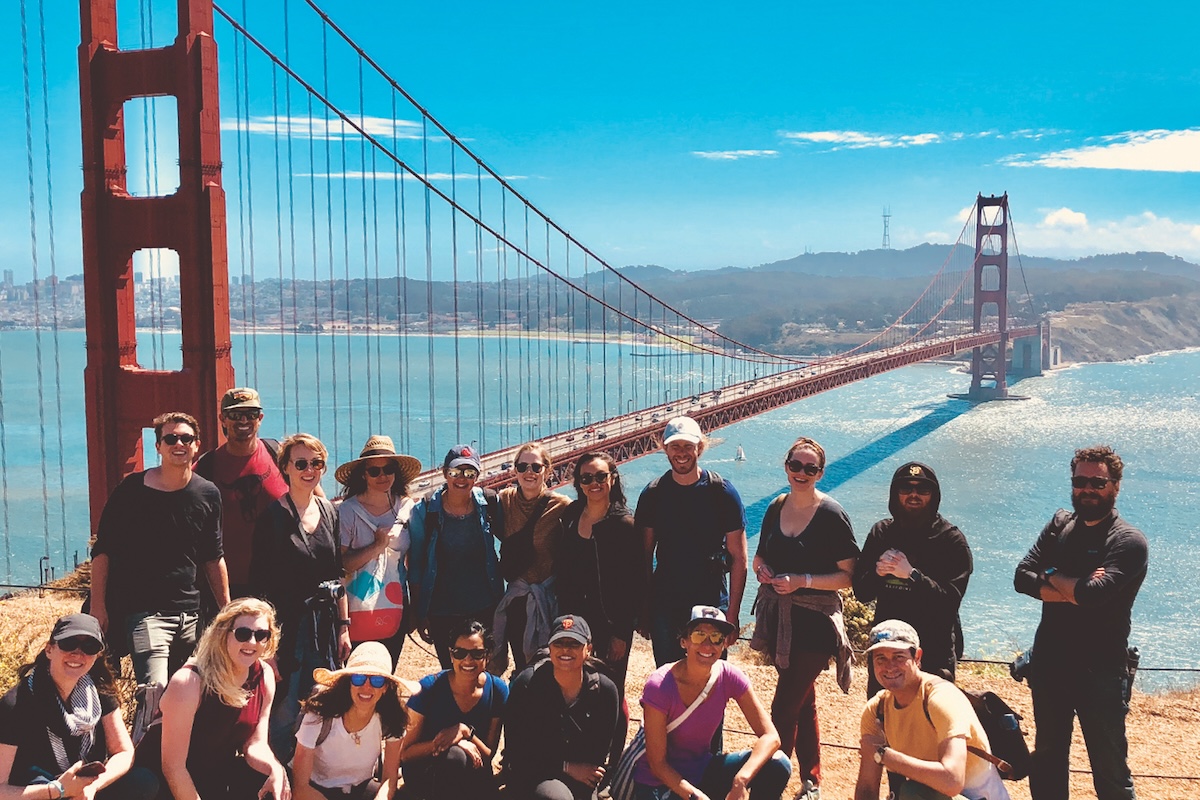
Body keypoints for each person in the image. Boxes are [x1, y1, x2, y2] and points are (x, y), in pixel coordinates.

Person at [1014, 446, 1148, 800]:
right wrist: (1071, 585)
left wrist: (1050, 573)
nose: (1087, 489)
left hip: (1101, 672)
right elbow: (1021, 578)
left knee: (1110, 772)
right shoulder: (1060, 524)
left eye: (1097, 482)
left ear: (1116, 486)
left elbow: (1093, 593)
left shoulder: (1128, 541)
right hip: (1050, 666)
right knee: (1047, 765)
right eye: (1079, 481)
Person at [88, 411, 230, 716]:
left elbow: (212, 556)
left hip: (191, 615)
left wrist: (227, 611)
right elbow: (103, 551)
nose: (179, 444)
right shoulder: (131, 491)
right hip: (146, 614)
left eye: (186, 438)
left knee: (185, 700)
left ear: (196, 446)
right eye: (171, 438)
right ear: (158, 446)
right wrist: (97, 607)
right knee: (154, 698)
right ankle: (143, 761)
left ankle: (174, 761)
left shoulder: (208, 493)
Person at [749, 436, 857, 800]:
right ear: (786, 466)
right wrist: (762, 571)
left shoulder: (832, 515)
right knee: (803, 699)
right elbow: (760, 555)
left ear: (820, 473)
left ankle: (769, 781)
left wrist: (802, 581)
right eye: (796, 465)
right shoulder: (776, 506)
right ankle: (812, 779)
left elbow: (848, 576)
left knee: (783, 704)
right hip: (781, 621)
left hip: (816, 623)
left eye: (810, 468)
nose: (802, 473)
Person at [249, 433, 351, 760]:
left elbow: (336, 574)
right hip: (287, 629)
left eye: (316, 463)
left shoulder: (330, 512)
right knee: (283, 708)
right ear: (286, 469)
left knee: (324, 700)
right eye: (301, 463)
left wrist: (344, 627)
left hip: (325, 624)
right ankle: (278, 777)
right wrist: (266, 646)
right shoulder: (272, 518)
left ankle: (316, 775)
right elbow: (259, 587)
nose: (309, 470)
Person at [633, 606, 792, 800]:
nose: (708, 645)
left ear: (724, 644)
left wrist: (741, 779)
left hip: (702, 771)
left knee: (778, 763)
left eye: (716, 637)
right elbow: (657, 764)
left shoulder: (729, 676)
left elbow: (771, 737)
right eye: (699, 636)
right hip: (659, 784)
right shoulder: (659, 686)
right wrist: (694, 795)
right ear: (685, 642)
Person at [141, 597, 289, 800]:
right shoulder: (189, 682)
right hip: (164, 783)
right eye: (243, 633)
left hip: (213, 777)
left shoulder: (264, 676)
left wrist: (275, 769)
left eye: (262, 635)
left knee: (268, 778)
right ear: (223, 634)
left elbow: (255, 744)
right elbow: (172, 767)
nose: (252, 642)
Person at [0, 613, 158, 800]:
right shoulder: (16, 703)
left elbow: (124, 752)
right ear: (49, 649)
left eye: (89, 647)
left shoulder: (99, 690)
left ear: (97, 655)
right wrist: (57, 790)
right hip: (40, 792)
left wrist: (91, 787)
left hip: (86, 787)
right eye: (68, 643)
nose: (77, 653)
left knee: (143, 781)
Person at [636, 416, 748, 666]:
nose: (682, 453)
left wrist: (733, 613)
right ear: (665, 448)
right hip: (666, 605)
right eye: (675, 446)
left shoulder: (723, 492)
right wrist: (644, 611)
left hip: (711, 604)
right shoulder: (653, 495)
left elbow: (739, 559)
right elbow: (643, 557)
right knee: (668, 682)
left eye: (688, 446)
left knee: (710, 683)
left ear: (700, 447)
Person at [853, 461, 972, 695]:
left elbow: (949, 602)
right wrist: (879, 573)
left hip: (933, 652)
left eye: (922, 490)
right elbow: (861, 592)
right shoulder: (881, 533)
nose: (914, 495)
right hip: (886, 650)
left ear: (934, 495)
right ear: (895, 494)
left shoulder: (951, 540)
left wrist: (911, 575)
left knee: (931, 724)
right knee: (882, 723)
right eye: (906, 489)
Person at [855, 620, 1009, 800]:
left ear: (917, 657)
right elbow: (867, 787)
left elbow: (951, 781)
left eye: (899, 657)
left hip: (973, 797)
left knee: (913, 792)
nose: (889, 666)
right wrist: (880, 756)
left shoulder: (940, 698)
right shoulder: (877, 710)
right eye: (881, 658)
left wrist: (884, 756)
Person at [501, 615, 622, 800]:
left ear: (588, 649)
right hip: (532, 776)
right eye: (559, 643)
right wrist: (566, 766)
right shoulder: (527, 685)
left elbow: (596, 756)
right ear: (549, 649)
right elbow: (516, 753)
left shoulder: (604, 691)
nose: (565, 649)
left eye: (574, 644)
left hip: (582, 778)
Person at [408, 444, 505, 669]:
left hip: (485, 607)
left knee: (484, 672)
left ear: (477, 476)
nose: (462, 478)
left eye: (470, 473)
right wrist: (420, 612)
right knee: (452, 674)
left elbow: (511, 541)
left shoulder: (490, 504)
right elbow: (415, 565)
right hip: (442, 612)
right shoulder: (424, 511)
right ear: (444, 473)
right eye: (455, 472)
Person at [557, 451, 645, 694]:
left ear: (613, 479)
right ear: (578, 483)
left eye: (600, 476)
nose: (593, 483)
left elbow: (635, 583)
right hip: (574, 622)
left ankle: (613, 734)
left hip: (610, 625)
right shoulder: (571, 515)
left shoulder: (624, 525)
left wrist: (621, 633)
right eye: (586, 478)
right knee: (574, 688)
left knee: (609, 691)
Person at [193, 387, 289, 605]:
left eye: (251, 414)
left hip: (280, 583)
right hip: (222, 590)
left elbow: (316, 502)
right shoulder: (205, 467)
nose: (243, 420)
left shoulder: (280, 455)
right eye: (235, 415)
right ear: (223, 419)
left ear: (260, 418)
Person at [335, 435, 422, 666]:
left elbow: (414, 563)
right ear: (363, 474)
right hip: (358, 611)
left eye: (388, 469)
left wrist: (416, 609)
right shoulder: (348, 512)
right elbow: (340, 566)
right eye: (374, 471)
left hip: (396, 606)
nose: (382, 476)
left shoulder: (407, 508)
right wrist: (377, 546)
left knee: (387, 675)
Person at [401, 620, 507, 799]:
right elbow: (406, 753)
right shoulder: (428, 688)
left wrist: (466, 733)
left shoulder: (497, 690)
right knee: (455, 757)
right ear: (451, 655)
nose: (467, 660)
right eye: (460, 653)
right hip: (427, 771)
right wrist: (447, 743)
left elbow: (488, 754)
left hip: (473, 771)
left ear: (487, 656)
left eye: (477, 653)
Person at [492, 442, 572, 674]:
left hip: (550, 601)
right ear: (514, 470)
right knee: (522, 667)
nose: (529, 472)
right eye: (523, 466)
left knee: (551, 667)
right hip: (517, 600)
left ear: (548, 470)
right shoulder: (503, 501)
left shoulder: (562, 506)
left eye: (536, 467)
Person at [293, 642, 406, 800]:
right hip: (315, 791)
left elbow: (389, 779)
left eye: (377, 681)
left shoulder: (391, 717)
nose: (366, 687)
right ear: (348, 682)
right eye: (359, 678)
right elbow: (300, 788)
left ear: (386, 687)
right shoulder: (320, 713)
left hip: (359, 789)